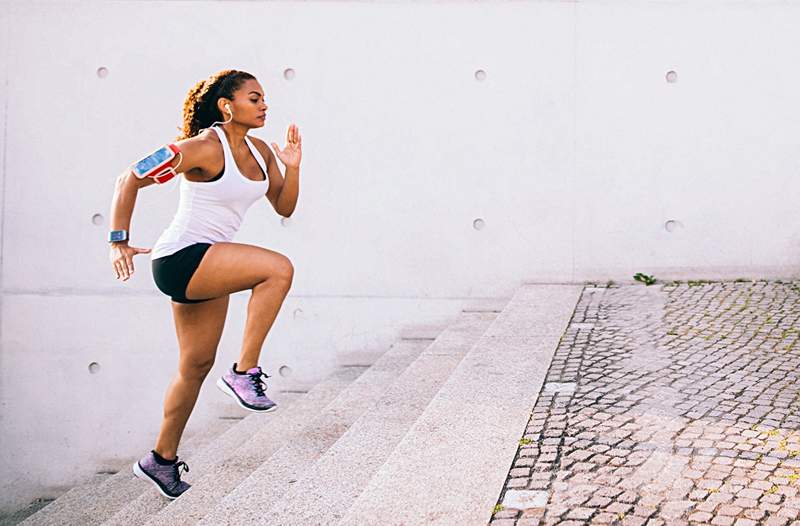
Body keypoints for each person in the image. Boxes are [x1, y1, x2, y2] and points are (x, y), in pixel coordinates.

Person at [107, 69, 301, 499]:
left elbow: (284, 206)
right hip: (181, 257)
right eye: (254, 98)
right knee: (278, 269)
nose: (264, 105)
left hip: (210, 263)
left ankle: (160, 459)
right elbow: (130, 178)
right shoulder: (202, 148)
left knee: (193, 368)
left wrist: (292, 168)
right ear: (226, 105)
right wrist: (117, 242)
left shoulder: (263, 151)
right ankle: (243, 372)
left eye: (265, 98)